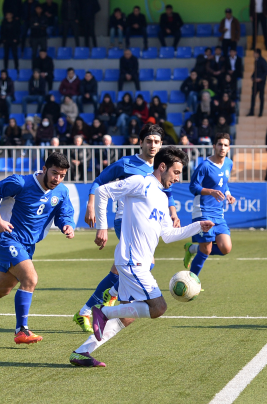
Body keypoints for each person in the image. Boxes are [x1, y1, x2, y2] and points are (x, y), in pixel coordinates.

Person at [70, 146, 210, 368]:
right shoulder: (141, 182)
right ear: (162, 167)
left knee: (127, 316)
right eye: (175, 172)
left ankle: (82, 352)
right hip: (132, 261)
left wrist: (197, 227)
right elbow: (104, 192)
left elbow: (168, 235)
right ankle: (103, 311)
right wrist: (103, 227)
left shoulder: (163, 199)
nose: (177, 178)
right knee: (158, 307)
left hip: (137, 262)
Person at [0, 152, 74, 344]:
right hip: (9, 239)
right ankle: (22, 330)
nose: (58, 179)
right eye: (54, 173)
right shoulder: (21, 183)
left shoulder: (61, 191)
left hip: (28, 245)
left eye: (62, 175)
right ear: (44, 169)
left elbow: (64, 212)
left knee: (2, 289)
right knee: (30, 278)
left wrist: (67, 225)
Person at [181, 133, 235, 268]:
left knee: (226, 248)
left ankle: (192, 249)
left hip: (218, 212)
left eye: (225, 145)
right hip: (203, 211)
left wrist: (228, 194)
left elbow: (223, 183)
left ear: (229, 148)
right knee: (206, 250)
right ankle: (191, 282)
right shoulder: (204, 166)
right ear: (214, 146)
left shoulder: (229, 163)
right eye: (220, 144)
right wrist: (210, 191)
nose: (222, 147)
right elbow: (193, 187)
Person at [248, 49, 267, 117]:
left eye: (254, 53)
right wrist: (252, 76)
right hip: (255, 82)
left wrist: (260, 79)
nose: (253, 54)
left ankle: (260, 112)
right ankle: (251, 111)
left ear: (258, 53)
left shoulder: (263, 61)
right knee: (253, 97)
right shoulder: (256, 61)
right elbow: (256, 70)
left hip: (261, 83)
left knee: (261, 97)